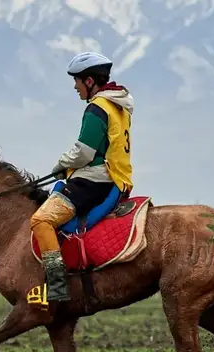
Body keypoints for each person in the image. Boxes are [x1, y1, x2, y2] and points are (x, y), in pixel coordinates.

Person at [29, 51, 135, 303]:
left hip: (93, 181)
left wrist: (60, 165)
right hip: (117, 180)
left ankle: (56, 287)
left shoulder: (97, 107)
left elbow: (84, 151)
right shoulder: (119, 106)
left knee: (41, 221)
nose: (75, 87)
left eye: (77, 81)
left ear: (90, 81)